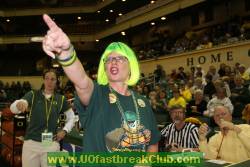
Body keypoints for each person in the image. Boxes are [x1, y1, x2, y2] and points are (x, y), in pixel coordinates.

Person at [41, 14, 160, 154]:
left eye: (119, 58)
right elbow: (81, 82)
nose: (113, 61)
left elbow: (153, 145)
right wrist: (66, 53)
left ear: (131, 66)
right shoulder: (97, 94)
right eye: (108, 60)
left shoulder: (143, 102)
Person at [10, 69, 75, 167]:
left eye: (53, 79)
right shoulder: (33, 94)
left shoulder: (61, 99)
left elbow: (72, 117)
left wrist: (65, 130)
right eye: (47, 78)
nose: (49, 81)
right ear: (44, 80)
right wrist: (19, 104)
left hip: (50, 143)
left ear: (57, 81)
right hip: (31, 143)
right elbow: (14, 108)